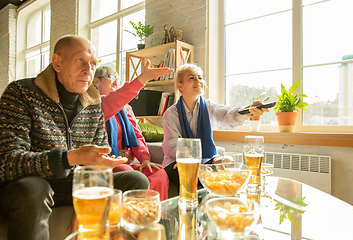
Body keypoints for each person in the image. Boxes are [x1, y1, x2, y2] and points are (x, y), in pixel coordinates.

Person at [0, 35, 149, 240]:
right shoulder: (21, 93)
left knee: (135, 179)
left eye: (93, 63)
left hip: (73, 184)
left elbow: (99, 160)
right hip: (29, 185)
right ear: (57, 63)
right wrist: (69, 158)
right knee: (34, 189)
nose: (89, 69)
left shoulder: (93, 103)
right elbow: (7, 160)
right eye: (80, 60)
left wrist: (87, 199)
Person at [161, 64, 269, 191]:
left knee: (227, 161)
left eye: (200, 78)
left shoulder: (208, 106)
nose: (198, 81)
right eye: (191, 78)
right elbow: (172, 146)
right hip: (178, 161)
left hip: (206, 159)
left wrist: (248, 110)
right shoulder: (170, 114)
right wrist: (197, 165)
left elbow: (227, 115)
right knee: (194, 176)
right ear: (180, 85)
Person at [93, 64, 172, 201]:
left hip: (127, 162)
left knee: (158, 173)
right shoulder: (94, 105)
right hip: (106, 165)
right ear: (96, 81)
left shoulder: (127, 108)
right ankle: (136, 217)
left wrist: (145, 159)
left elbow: (136, 135)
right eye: (111, 77)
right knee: (127, 172)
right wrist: (144, 78)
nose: (116, 82)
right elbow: (113, 101)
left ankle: (157, 217)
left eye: (118, 79)